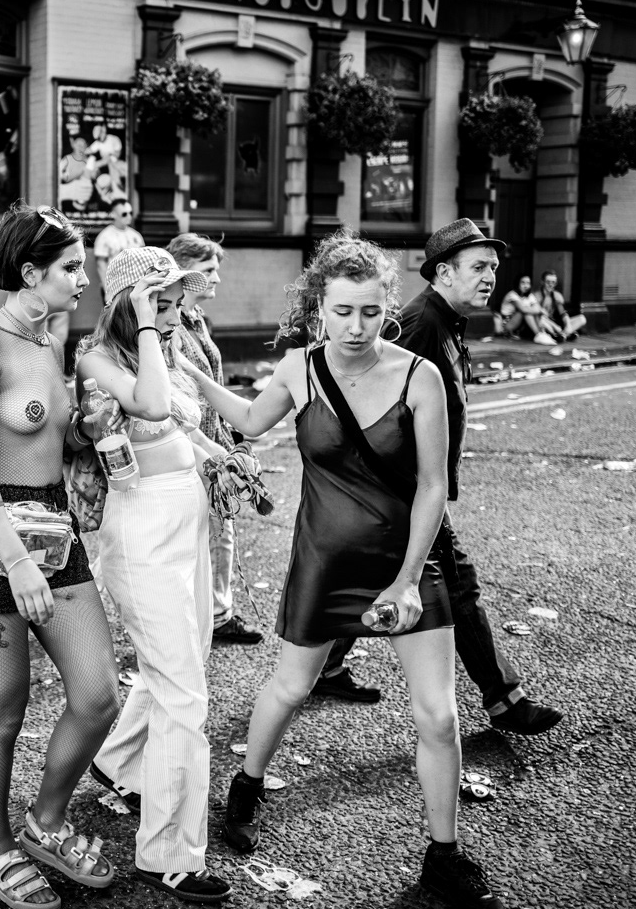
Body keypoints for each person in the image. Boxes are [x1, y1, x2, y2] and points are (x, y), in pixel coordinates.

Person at [195, 230, 504, 909]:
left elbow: (430, 488)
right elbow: (247, 420)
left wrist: (405, 582)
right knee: (289, 687)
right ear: (318, 312)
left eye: (369, 311)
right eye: (342, 312)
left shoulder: (419, 377)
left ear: (386, 307)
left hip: (405, 566)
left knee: (439, 717)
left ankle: (443, 855)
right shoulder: (298, 370)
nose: (356, 326)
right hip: (324, 562)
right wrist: (187, 374)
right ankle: (244, 786)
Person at [0, 203, 120, 907]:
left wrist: (88, 431)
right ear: (31, 272)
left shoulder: (52, 335)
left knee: (99, 692)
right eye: (73, 268)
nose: (84, 280)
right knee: (3, 709)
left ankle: (45, 821)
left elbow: (53, 442)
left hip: (56, 530)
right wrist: (12, 560)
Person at [317, 219, 564, 735]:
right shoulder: (418, 325)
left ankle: (324, 665)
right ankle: (504, 699)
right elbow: (363, 396)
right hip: (403, 489)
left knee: (384, 583)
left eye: (494, 268)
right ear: (445, 273)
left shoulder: (446, 321)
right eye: (478, 267)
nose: (490, 276)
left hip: (409, 488)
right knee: (459, 588)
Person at [78, 246, 235, 905]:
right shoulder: (99, 359)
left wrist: (220, 456)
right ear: (128, 305)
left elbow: (178, 425)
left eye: (175, 304)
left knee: (178, 663)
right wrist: (145, 323)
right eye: (161, 303)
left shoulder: (165, 352)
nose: (174, 316)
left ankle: (116, 764)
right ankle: (169, 853)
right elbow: (147, 408)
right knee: (183, 694)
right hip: (141, 536)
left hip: (186, 526)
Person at [165, 233, 262, 647]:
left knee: (214, 530)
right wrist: (210, 449)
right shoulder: (167, 325)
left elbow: (212, 383)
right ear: (184, 275)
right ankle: (209, 616)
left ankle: (211, 611)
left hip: (215, 438)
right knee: (203, 532)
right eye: (207, 272)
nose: (216, 280)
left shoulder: (195, 319)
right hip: (193, 445)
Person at [91, 199, 143, 297]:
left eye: (130, 213)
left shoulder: (136, 236)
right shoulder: (105, 236)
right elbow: (101, 265)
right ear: (113, 214)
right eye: (124, 214)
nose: (129, 217)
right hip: (115, 285)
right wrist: (107, 290)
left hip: (134, 284)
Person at [495, 274, 551, 341]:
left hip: (520, 327)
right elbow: (523, 309)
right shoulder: (512, 295)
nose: (526, 286)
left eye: (528, 283)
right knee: (525, 312)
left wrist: (538, 310)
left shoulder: (529, 295)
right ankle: (538, 335)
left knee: (532, 311)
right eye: (523, 283)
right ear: (517, 283)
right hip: (507, 325)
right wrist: (538, 310)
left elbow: (538, 307)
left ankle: (541, 334)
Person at [538, 271, 586, 341]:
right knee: (542, 321)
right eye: (548, 282)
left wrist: (568, 325)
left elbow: (563, 313)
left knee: (582, 318)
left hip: (556, 323)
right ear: (542, 282)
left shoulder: (557, 295)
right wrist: (555, 326)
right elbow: (539, 316)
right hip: (545, 323)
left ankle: (563, 334)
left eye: (553, 282)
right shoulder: (537, 296)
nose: (551, 285)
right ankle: (562, 335)